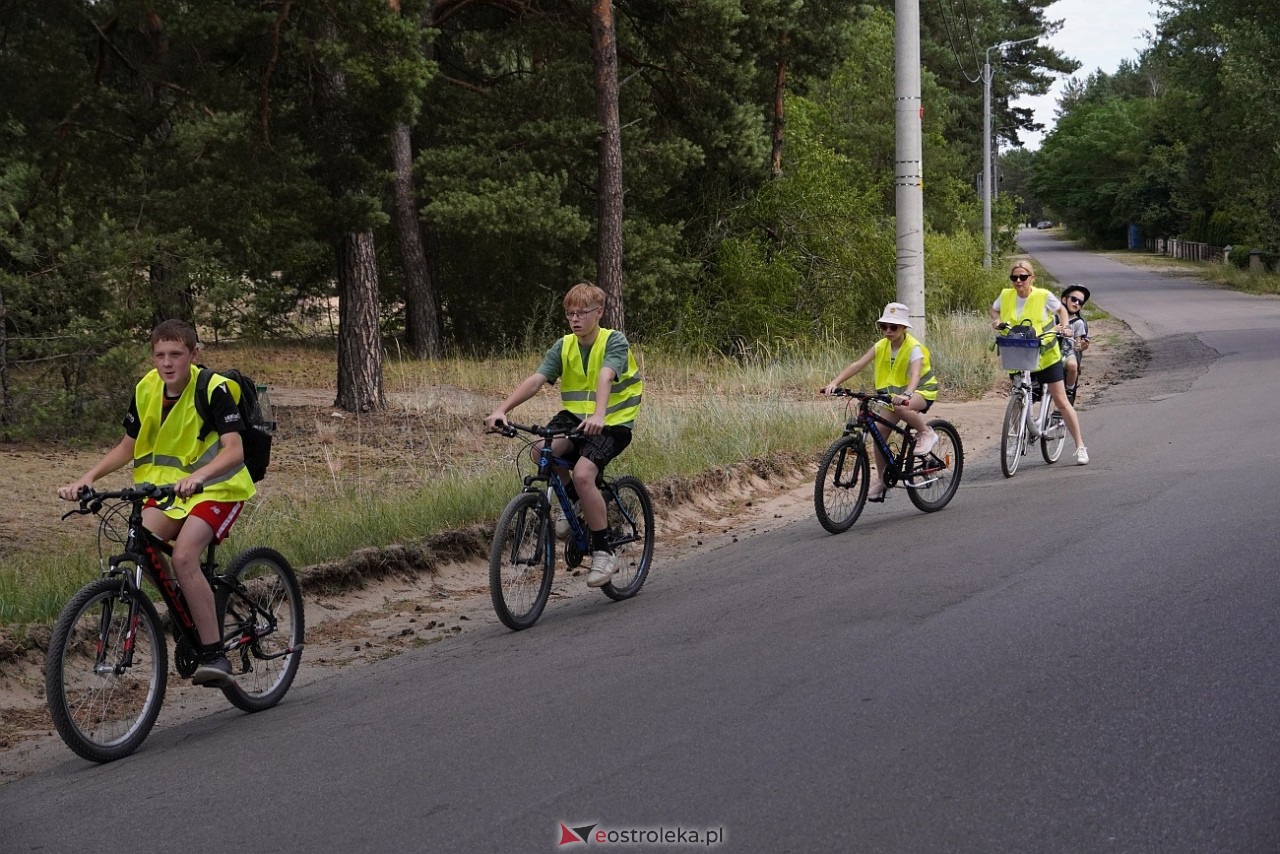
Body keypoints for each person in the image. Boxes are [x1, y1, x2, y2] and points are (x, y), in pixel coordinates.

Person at [57, 319, 255, 686]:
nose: (167, 363)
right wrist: (88, 478)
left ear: (194, 354)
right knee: (141, 548)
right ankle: (188, 604)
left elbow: (235, 452)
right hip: (167, 492)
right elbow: (128, 446)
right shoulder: (147, 388)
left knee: (183, 557)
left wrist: (200, 477)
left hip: (219, 488)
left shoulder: (213, 388)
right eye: (160, 355)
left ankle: (214, 654)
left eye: (176, 354)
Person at [484, 282, 643, 588]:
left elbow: (605, 376)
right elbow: (536, 379)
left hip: (612, 421)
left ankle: (603, 551)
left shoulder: (614, 341)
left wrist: (599, 415)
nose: (575, 319)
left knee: (583, 474)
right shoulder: (565, 345)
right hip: (575, 418)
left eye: (582, 312)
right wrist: (501, 410)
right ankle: (573, 505)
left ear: (599, 312)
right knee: (540, 450)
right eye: (570, 313)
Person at [822, 302, 940, 501]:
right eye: (884, 326)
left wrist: (908, 395)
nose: (888, 330)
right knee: (879, 434)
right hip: (893, 398)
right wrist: (834, 382)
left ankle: (926, 432)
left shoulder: (914, 348)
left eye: (893, 327)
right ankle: (882, 480)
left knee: (900, 407)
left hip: (921, 391)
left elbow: (915, 374)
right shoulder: (881, 346)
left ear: (903, 328)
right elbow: (858, 364)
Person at [989, 261, 1089, 465]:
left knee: (1061, 400)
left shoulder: (1043, 296)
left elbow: (1061, 310)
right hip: (1019, 354)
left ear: (1031, 278)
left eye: (1023, 277)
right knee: (1018, 398)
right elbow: (994, 309)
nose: (1018, 281)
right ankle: (1017, 439)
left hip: (1045, 355)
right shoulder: (1006, 295)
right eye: (1014, 277)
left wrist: (1064, 326)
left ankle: (1080, 446)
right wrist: (996, 321)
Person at [1059, 284, 1091, 402]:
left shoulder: (1079, 322)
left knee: (1073, 365)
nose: (1076, 303)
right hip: (1049, 351)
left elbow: (1077, 345)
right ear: (1064, 299)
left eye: (1080, 302)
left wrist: (1081, 346)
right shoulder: (1053, 317)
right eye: (1073, 299)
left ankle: (1069, 390)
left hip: (1067, 352)